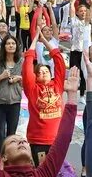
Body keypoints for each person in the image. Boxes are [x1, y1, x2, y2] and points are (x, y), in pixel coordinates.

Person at [22, 33, 68, 166]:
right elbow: (27, 68)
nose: (43, 73)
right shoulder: (32, 89)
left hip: (57, 139)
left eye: (46, 71)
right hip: (39, 141)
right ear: (35, 77)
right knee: (42, 173)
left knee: (56, 173)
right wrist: (35, 40)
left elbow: (59, 60)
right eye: (39, 72)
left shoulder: (57, 85)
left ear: (51, 74)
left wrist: (45, 41)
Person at [0, 34, 23, 156]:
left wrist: (19, 78)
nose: (11, 45)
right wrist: (0, 77)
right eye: (8, 43)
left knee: (12, 134)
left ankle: (11, 160)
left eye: (13, 43)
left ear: (16, 46)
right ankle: (1, 159)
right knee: (0, 134)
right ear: (4, 46)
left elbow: (29, 80)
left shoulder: (21, 62)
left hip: (15, 103)